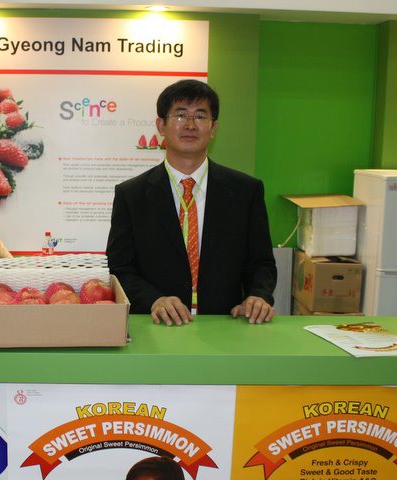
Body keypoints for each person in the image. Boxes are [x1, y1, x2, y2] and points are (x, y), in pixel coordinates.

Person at [106, 79, 277, 326]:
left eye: (200, 116)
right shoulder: (132, 195)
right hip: (158, 324)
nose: (189, 125)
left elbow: (261, 262)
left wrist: (258, 295)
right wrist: (154, 300)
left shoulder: (245, 191)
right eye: (180, 115)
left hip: (226, 326)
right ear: (161, 125)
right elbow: (119, 268)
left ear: (213, 127)